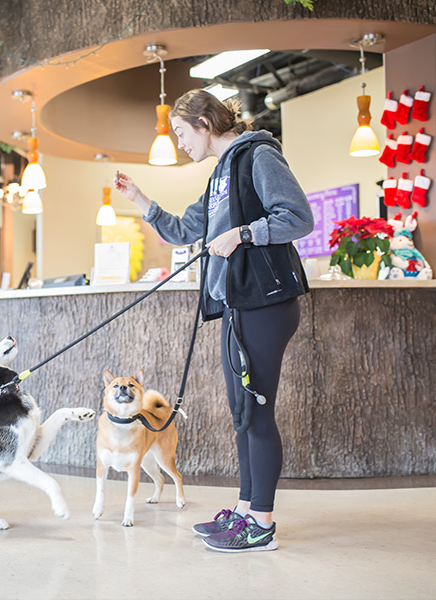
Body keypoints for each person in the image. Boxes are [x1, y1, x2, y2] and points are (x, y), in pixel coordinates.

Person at [114, 89, 314, 553]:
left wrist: (244, 234)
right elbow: (186, 230)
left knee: (257, 413)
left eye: (182, 132)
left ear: (205, 121)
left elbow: (298, 218)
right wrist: (140, 198)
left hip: (265, 304)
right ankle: (246, 511)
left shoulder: (258, 156)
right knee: (243, 413)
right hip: (236, 306)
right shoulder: (220, 175)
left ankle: (261, 524)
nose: (181, 142)